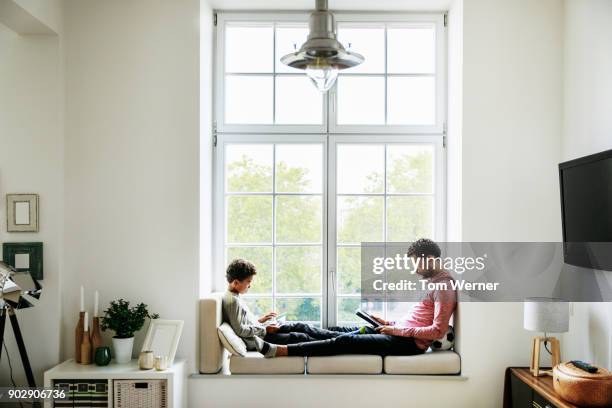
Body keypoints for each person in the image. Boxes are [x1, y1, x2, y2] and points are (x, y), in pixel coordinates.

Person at [272, 238, 457, 357]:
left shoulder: (444, 286)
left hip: (408, 344)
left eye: (417, 264)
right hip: (398, 334)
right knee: (336, 330)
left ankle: (284, 351)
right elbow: (416, 320)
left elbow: (437, 331)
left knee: (344, 340)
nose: (415, 270)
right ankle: (279, 332)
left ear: (430, 258)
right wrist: (390, 323)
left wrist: (396, 331)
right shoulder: (433, 282)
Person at [222, 258, 355, 358]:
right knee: (300, 336)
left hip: (263, 332)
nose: (249, 286)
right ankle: (343, 342)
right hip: (263, 338)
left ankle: (345, 337)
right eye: (248, 282)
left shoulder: (235, 296)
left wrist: (261, 320)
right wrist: (264, 328)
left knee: (301, 326)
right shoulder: (232, 301)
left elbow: (243, 323)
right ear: (236, 282)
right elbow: (240, 330)